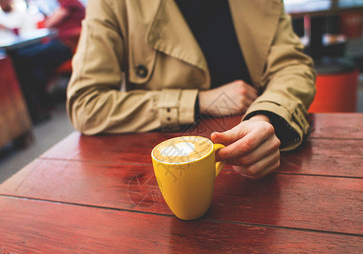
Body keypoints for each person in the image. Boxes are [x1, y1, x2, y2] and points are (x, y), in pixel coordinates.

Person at [67, 0, 316, 179]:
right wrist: (198, 101)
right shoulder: (113, 4)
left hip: (266, 164)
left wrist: (265, 116)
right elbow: (86, 104)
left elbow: (293, 66)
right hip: (162, 176)